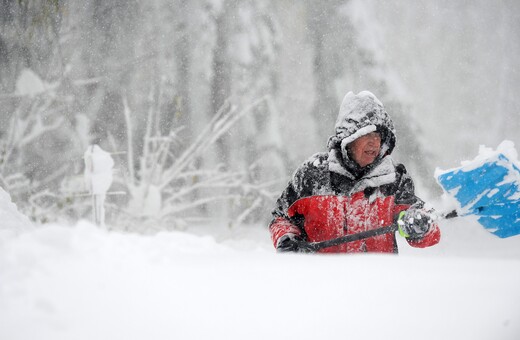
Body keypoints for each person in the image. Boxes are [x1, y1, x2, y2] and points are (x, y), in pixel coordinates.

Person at [269, 91, 441, 253]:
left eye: (379, 136)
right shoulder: (312, 175)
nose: (375, 143)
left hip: (378, 281)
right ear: (348, 137)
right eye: (368, 134)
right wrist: (287, 239)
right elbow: (281, 217)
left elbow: (428, 231)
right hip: (321, 281)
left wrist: (420, 227)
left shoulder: (394, 179)